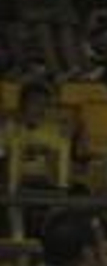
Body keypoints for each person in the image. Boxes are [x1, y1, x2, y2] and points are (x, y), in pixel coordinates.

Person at [3, 83, 74, 239]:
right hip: (14, 189)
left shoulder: (55, 131)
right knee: (12, 204)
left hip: (46, 187)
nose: (40, 109)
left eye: (44, 105)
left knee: (64, 203)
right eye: (35, 103)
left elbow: (61, 173)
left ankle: (51, 245)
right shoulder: (8, 129)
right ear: (22, 105)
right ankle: (19, 251)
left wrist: (59, 188)